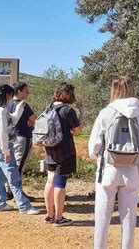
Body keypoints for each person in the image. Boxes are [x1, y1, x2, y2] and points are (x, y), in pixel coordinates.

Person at [88, 76, 139, 249]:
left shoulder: (106, 112)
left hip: (108, 169)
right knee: (129, 217)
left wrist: (96, 157)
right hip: (133, 170)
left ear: (114, 90)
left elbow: (94, 145)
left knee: (102, 215)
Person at [0, 84, 40, 215]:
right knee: (14, 177)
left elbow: (13, 120)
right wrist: (6, 152)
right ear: (7, 95)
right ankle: (24, 206)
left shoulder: (1, 111)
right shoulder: (0, 112)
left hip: (1, 148)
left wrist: (20, 109)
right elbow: (2, 134)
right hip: (3, 148)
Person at [43, 82, 84, 227]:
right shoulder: (68, 110)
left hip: (49, 150)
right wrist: (81, 112)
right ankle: (59, 218)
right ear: (69, 95)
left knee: (50, 181)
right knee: (60, 184)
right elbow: (77, 131)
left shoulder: (48, 108)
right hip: (65, 152)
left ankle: (49, 215)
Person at [7, 82, 37, 199]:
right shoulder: (23, 105)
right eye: (26, 90)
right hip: (22, 137)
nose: (28, 92)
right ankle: (17, 193)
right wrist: (31, 122)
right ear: (19, 91)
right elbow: (34, 119)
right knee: (19, 166)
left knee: (11, 165)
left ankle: (10, 191)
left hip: (11, 137)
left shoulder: (8, 104)